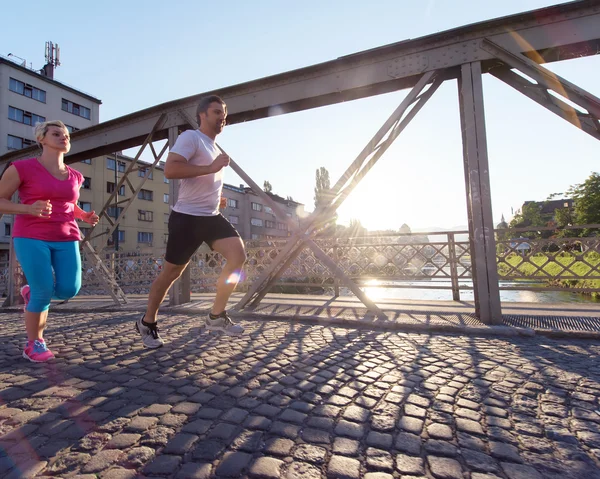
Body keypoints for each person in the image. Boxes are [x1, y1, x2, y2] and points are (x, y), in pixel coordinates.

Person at [136, 95, 246, 348]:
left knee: (238, 256)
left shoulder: (215, 148)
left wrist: (216, 198)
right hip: (186, 217)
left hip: (210, 217)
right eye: (217, 112)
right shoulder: (190, 138)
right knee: (170, 274)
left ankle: (216, 316)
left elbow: (201, 180)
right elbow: (171, 170)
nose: (222, 117)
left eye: (224, 113)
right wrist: (211, 168)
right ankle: (147, 322)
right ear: (202, 115)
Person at [0, 120, 99, 362]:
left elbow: (67, 204)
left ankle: (32, 293)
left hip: (66, 236)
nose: (64, 137)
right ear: (41, 138)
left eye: (66, 134)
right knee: (44, 291)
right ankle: (34, 343)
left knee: (70, 289)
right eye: (56, 133)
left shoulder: (75, 175)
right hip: (31, 235)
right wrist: (27, 208)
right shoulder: (21, 168)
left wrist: (83, 215)